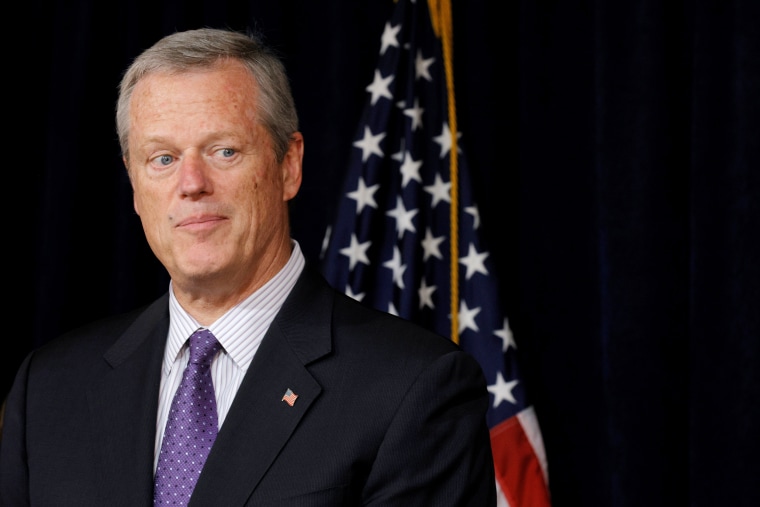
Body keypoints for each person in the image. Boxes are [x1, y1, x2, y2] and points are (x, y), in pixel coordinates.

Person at [0, 27, 495, 506]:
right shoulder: (49, 389)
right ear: (134, 185)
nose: (191, 183)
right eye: (163, 158)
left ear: (288, 166)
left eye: (224, 151)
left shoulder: (413, 387)